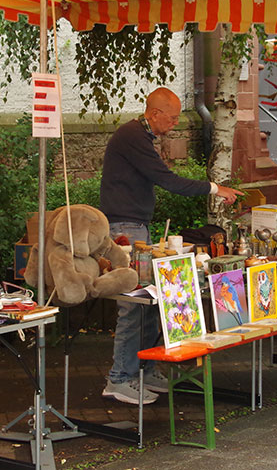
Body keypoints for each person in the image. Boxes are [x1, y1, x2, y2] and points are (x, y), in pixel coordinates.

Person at [99, 86, 243, 405]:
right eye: (173, 118)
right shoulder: (133, 136)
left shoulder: (141, 135)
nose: (175, 124)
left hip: (135, 226)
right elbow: (167, 180)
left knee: (152, 302)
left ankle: (146, 370)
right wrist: (215, 188)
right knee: (133, 305)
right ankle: (119, 378)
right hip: (125, 228)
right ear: (155, 114)